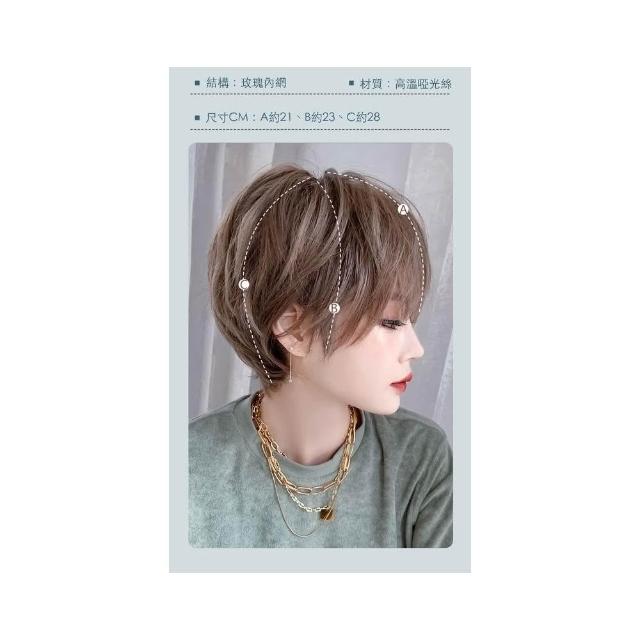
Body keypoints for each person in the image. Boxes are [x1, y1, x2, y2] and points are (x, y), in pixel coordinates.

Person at [189, 164, 453, 548]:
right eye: (390, 321)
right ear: (294, 330)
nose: (416, 349)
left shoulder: (420, 461)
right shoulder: (189, 467)